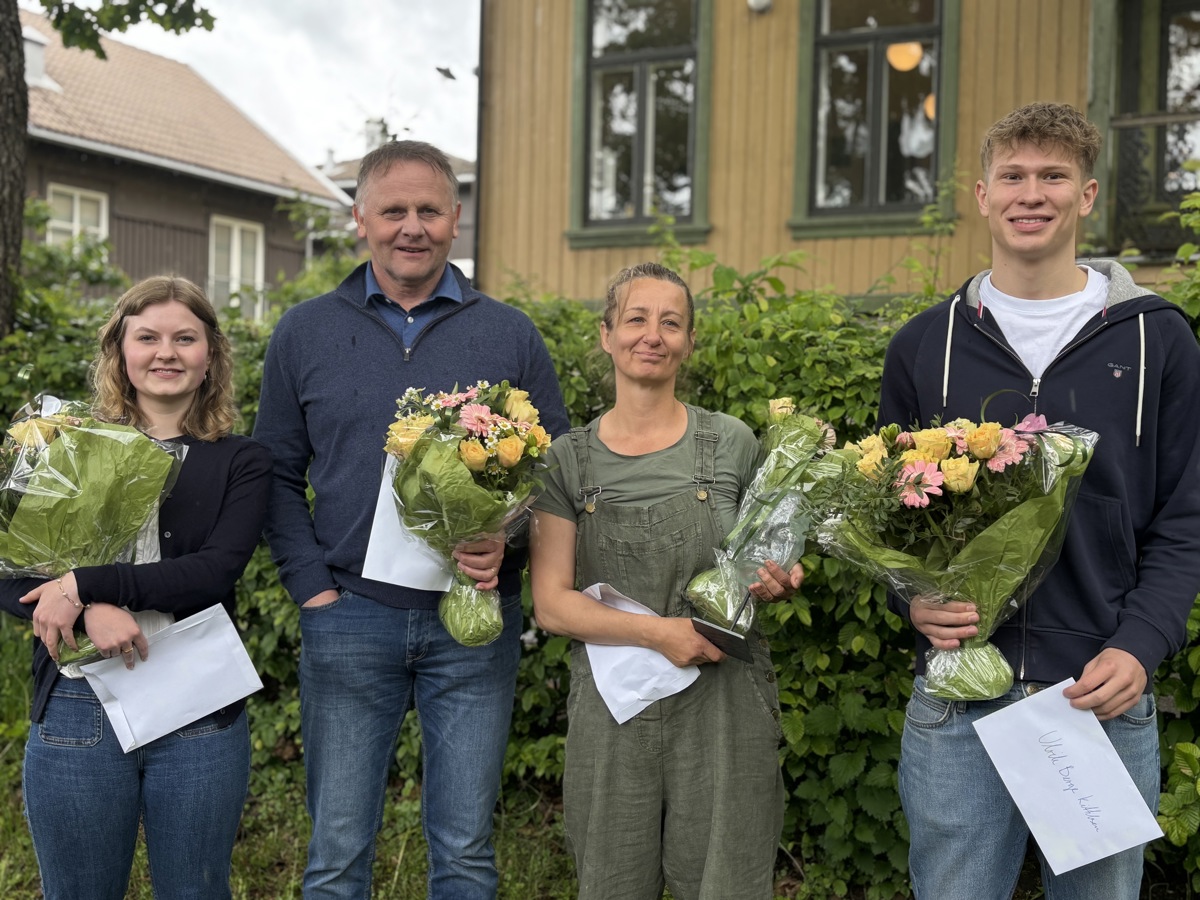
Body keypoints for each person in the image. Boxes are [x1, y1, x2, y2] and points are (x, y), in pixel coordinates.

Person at [878, 101, 1200, 898]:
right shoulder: (925, 344)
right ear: (982, 197)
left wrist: (1141, 645)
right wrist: (911, 600)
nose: (1032, 193)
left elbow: (1186, 518)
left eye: (1054, 175)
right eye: (1012, 176)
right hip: (959, 702)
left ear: (1087, 195)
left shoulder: (1159, 339)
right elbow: (890, 512)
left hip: (1098, 696)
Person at [253, 139, 569, 900]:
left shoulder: (509, 334)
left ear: (456, 219)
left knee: (464, 851)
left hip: (472, 622)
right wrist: (312, 591)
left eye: (429, 209)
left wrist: (511, 545)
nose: (411, 226)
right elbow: (272, 473)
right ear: (360, 218)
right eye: (393, 210)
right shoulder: (305, 332)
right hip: (350, 617)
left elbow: (554, 474)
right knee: (335, 853)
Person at [528, 262, 804, 900]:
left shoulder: (732, 443)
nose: (652, 335)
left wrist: (779, 575)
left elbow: (776, 551)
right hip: (613, 704)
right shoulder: (566, 460)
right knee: (612, 879)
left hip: (726, 700)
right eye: (636, 319)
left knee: (728, 881)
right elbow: (552, 604)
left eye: (671, 322)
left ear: (689, 342)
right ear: (606, 335)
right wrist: (662, 635)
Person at [0, 276, 273, 900]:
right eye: (146, 337)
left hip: (199, 705)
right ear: (120, 352)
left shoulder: (242, 460)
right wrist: (87, 609)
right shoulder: (62, 446)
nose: (166, 353)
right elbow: (9, 572)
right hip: (78, 703)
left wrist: (84, 583)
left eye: (185, 338)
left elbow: (212, 573)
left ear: (211, 356)